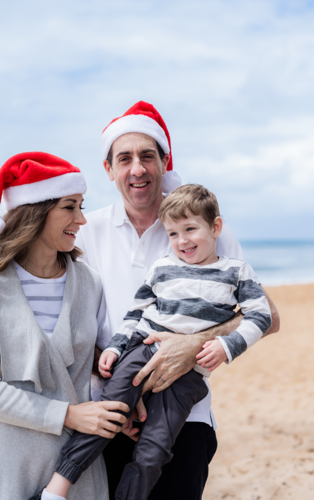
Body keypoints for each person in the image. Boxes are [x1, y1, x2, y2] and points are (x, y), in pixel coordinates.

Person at [74, 101, 280, 500]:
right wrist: (117, 373)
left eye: (147, 156)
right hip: (108, 414)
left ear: (164, 163)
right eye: (125, 158)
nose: (137, 168)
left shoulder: (201, 229)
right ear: (109, 169)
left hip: (185, 420)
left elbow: (268, 316)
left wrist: (193, 346)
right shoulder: (85, 232)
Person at [42, 184, 272, 500]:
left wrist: (225, 346)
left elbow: (262, 316)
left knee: (155, 449)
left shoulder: (236, 271)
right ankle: (57, 489)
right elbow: (135, 314)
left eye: (190, 229)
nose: (182, 241)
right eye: (173, 234)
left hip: (187, 376)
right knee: (107, 413)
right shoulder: (162, 267)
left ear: (215, 227)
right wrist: (115, 347)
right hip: (140, 350)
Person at [0, 152, 130, 500]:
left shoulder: (89, 282)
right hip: (7, 468)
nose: (81, 219)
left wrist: (122, 404)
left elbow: (103, 361)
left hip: (78, 470)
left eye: (82, 206)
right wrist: (69, 415)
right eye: (69, 206)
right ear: (34, 211)